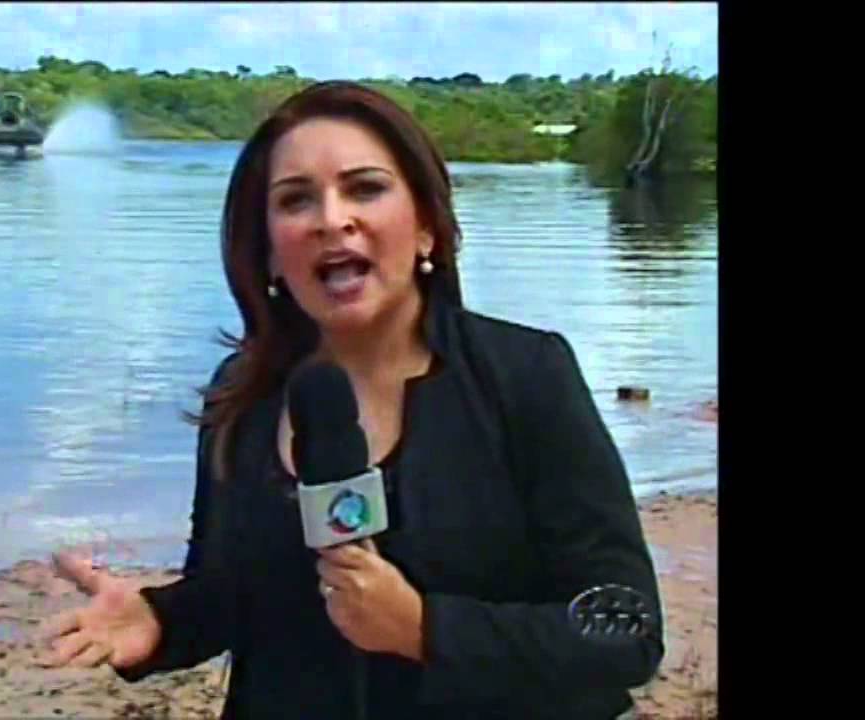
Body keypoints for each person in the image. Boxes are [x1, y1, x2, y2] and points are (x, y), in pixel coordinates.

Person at [38, 80, 664, 720]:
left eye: (365, 188)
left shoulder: (524, 376)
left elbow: (626, 630)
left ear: (425, 225)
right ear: (270, 253)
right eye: (295, 200)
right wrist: (158, 622)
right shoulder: (242, 395)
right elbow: (231, 597)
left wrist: (424, 629)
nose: (332, 219)